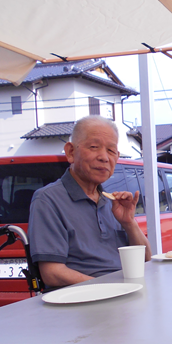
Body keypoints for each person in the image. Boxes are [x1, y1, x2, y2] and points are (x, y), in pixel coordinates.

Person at [29, 115, 151, 288]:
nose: (104, 157)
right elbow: (52, 273)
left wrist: (129, 223)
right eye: (94, 147)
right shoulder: (48, 200)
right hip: (82, 302)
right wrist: (109, 288)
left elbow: (146, 260)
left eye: (111, 151)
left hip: (124, 295)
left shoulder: (112, 201)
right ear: (71, 152)